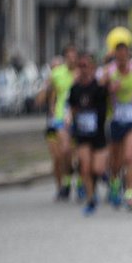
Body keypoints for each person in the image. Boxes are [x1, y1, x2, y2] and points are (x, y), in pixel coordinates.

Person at [67, 52, 111, 216]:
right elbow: (72, 108)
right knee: (85, 167)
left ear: (92, 68)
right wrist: (69, 120)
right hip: (82, 133)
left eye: (86, 66)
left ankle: (104, 177)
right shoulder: (75, 88)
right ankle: (91, 199)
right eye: (81, 66)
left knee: (97, 169)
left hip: (98, 134)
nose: (83, 69)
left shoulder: (99, 88)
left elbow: (107, 105)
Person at [102, 42, 132, 210]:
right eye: (118, 55)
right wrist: (110, 89)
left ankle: (130, 193)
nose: (121, 58)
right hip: (115, 119)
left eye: (124, 54)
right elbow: (99, 89)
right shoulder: (109, 71)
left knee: (129, 157)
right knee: (116, 160)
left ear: (128, 55)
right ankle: (115, 183)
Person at [40, 45, 78, 201]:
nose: (72, 59)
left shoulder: (81, 73)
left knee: (76, 154)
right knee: (62, 153)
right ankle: (64, 183)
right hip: (59, 118)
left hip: (77, 118)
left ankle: (73, 181)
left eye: (74, 56)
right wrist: (46, 93)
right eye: (68, 57)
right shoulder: (56, 74)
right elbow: (44, 95)